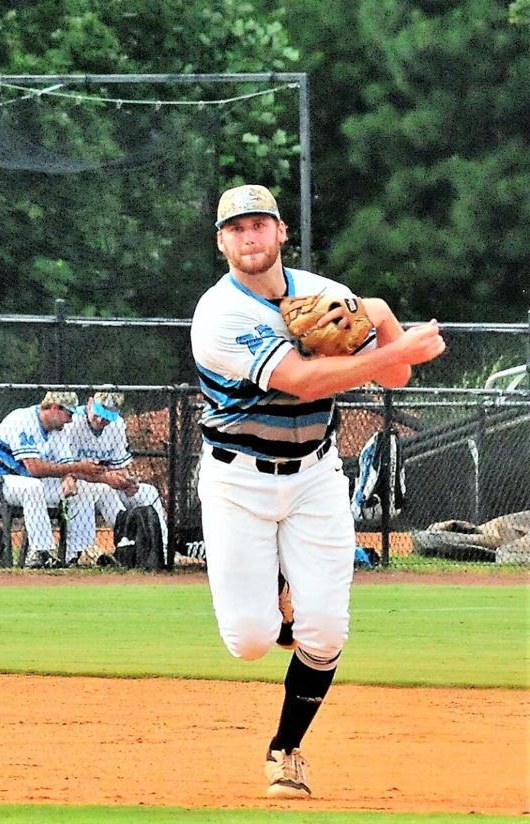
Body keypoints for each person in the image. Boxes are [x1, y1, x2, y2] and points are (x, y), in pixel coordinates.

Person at [190, 185, 445, 798]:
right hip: (236, 481)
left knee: (326, 631)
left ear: (281, 232)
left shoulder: (320, 293)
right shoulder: (220, 314)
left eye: (259, 225)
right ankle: (277, 594)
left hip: (315, 476)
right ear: (222, 242)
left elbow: (397, 372)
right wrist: (398, 344)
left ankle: (287, 750)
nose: (249, 238)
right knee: (249, 641)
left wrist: (381, 317)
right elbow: (302, 382)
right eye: (236, 229)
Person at [0, 391, 103, 568]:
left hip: (20, 483)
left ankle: (78, 554)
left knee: (83, 490)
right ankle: (40, 552)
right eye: (69, 414)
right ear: (55, 408)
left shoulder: (57, 430)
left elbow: (65, 463)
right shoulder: (22, 419)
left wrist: (69, 478)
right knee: (32, 486)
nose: (71, 420)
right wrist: (77, 468)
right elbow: (35, 469)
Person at [51, 391, 169, 562]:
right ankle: (86, 552)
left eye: (106, 417)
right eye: (98, 414)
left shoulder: (117, 425)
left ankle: (160, 550)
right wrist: (106, 478)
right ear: (90, 403)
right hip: (76, 486)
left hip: (107, 485)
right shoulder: (72, 423)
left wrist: (127, 481)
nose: (100, 421)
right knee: (100, 489)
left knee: (148, 492)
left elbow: (120, 466)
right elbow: (65, 469)